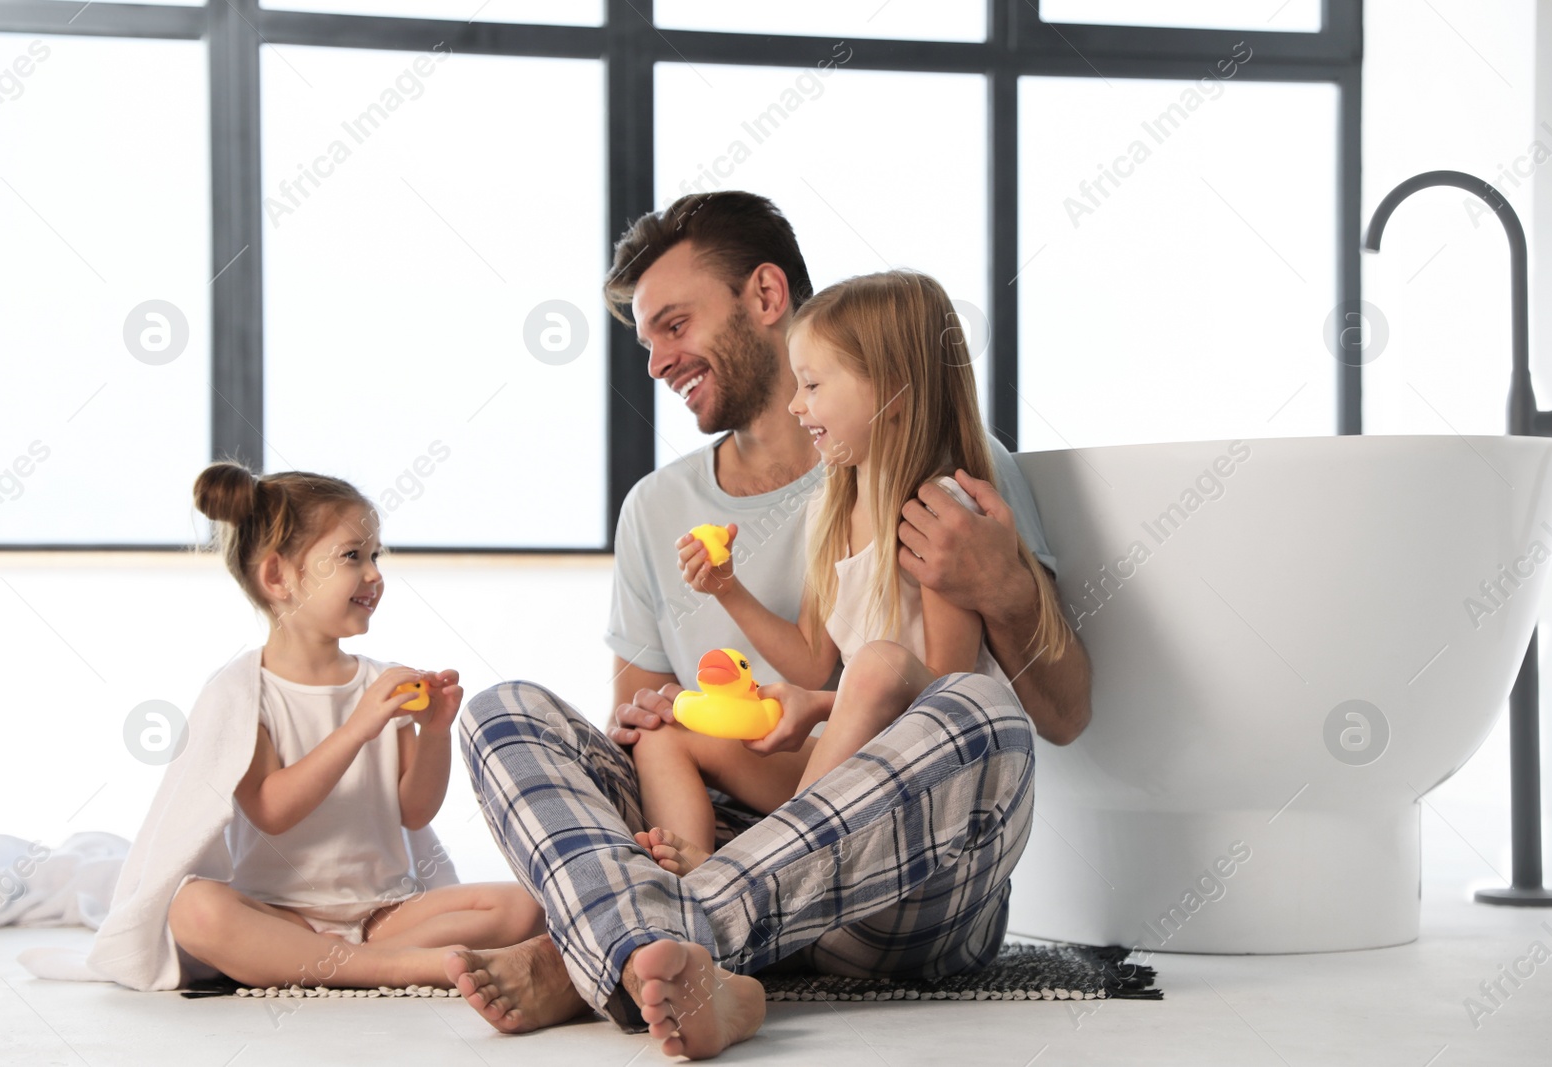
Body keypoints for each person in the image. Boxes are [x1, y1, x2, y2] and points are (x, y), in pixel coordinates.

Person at [445, 192, 1091, 1058]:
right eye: (647, 342)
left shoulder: (956, 478)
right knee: (501, 710)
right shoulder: (657, 508)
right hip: (721, 830)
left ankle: (608, 951)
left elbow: (1062, 714)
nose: (657, 363)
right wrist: (661, 713)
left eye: (675, 324)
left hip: (888, 876)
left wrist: (1003, 587)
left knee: (981, 714)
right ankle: (682, 949)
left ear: (765, 295)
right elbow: (639, 735)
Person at [631, 270, 1073, 874]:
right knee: (665, 730)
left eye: (811, 384)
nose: (795, 404)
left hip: (929, 787)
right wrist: (726, 588)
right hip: (848, 774)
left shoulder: (939, 515)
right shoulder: (833, 504)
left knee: (877, 664)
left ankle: (747, 878)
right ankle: (689, 886)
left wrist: (817, 706)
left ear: (889, 389)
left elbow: (946, 700)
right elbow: (813, 658)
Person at [155, 462, 543, 989]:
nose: (375, 574)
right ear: (278, 577)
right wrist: (357, 728)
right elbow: (270, 811)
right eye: (351, 556)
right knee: (195, 909)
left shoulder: (381, 684)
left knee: (523, 905)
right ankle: (396, 968)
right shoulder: (244, 692)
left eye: (375, 555)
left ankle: (331, 963)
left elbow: (414, 811)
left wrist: (434, 732)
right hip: (281, 914)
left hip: (385, 915)